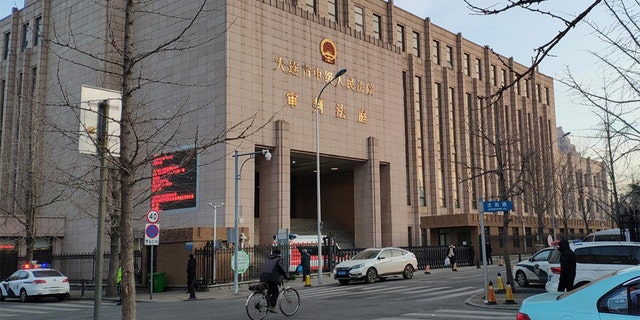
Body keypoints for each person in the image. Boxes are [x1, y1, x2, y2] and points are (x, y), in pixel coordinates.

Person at [260, 248, 290, 313]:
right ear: (279, 254)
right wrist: (287, 276)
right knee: (275, 292)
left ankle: (268, 303)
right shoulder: (278, 260)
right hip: (272, 278)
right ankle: (272, 307)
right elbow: (282, 269)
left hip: (263, 277)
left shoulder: (268, 259)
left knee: (270, 291)